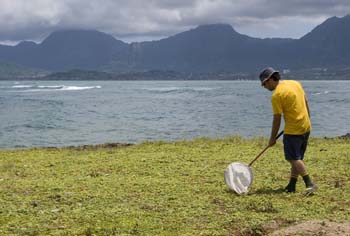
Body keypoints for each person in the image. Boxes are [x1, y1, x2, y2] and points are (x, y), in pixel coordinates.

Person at [259, 67, 317, 194]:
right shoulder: (295, 83)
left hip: (293, 131)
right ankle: (292, 185)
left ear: (270, 80)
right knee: (298, 158)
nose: (264, 86)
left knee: (293, 158)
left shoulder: (277, 95)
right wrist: (307, 119)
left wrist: (272, 138)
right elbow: (305, 101)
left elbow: (277, 119)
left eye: (264, 83)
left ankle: (309, 183)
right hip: (305, 126)